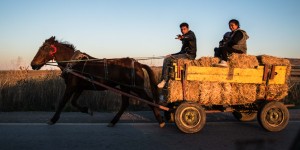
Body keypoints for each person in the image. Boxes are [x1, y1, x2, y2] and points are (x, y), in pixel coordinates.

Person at [157, 22, 197, 88]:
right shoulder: (184, 39)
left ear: (188, 29)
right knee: (168, 58)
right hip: (185, 54)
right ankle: (167, 81)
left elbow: (188, 37)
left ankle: (164, 80)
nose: (183, 31)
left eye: (184, 29)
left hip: (190, 55)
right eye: (181, 30)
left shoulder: (191, 34)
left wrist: (182, 37)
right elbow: (181, 51)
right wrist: (171, 54)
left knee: (167, 59)